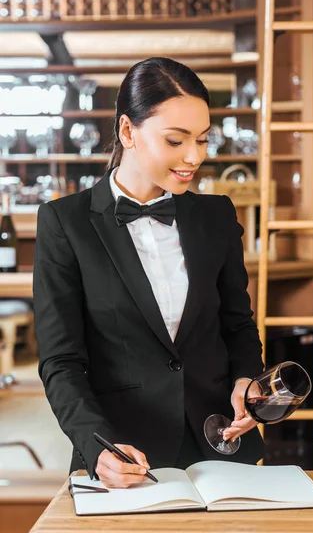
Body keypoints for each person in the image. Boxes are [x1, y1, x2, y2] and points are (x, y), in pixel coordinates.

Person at [33, 57, 265, 489]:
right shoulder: (65, 223)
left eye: (202, 139)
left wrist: (245, 378)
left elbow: (237, 325)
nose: (194, 157)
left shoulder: (216, 216)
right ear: (127, 131)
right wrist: (97, 444)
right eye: (175, 141)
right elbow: (61, 361)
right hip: (124, 459)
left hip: (220, 451)